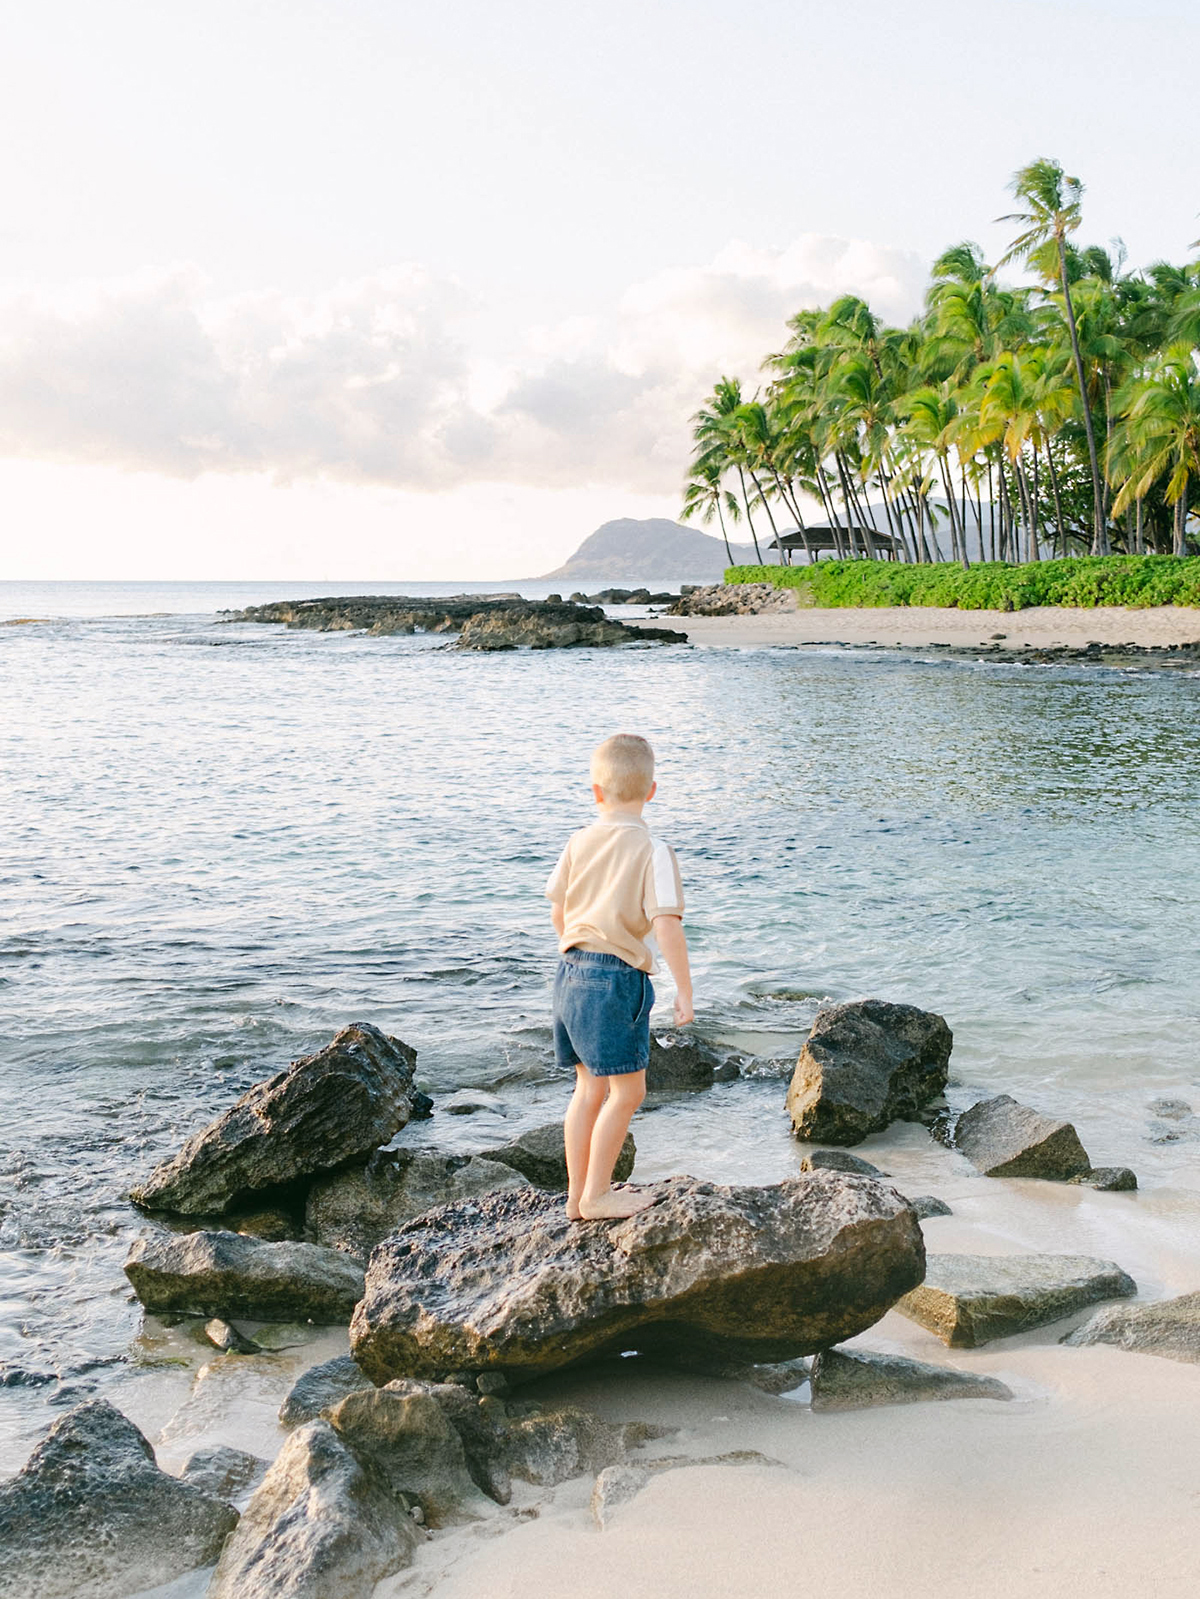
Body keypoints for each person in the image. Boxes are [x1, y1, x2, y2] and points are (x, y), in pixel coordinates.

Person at [545, 733, 693, 1220]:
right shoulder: (653, 850)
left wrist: (577, 946)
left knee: (587, 1089)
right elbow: (666, 924)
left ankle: (575, 1197)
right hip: (615, 978)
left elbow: (558, 906)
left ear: (596, 792)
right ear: (652, 791)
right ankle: (597, 1194)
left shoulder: (579, 840)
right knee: (629, 1092)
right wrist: (684, 991)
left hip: (569, 971)